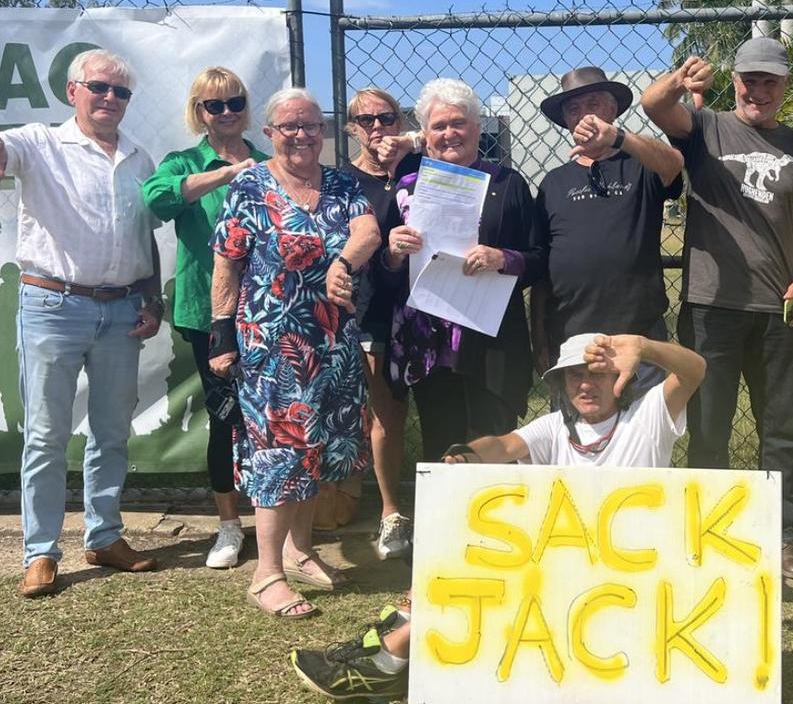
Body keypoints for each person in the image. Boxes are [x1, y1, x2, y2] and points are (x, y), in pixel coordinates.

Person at [289, 332, 705, 699]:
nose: (585, 383)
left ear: (619, 377)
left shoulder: (649, 418)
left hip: (629, 575)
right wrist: (465, 455)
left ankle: (390, 659)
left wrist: (644, 347)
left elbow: (695, 371)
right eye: (574, 374)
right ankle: (400, 628)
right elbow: (503, 445)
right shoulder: (557, 427)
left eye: (597, 373)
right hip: (566, 572)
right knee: (480, 533)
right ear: (562, 382)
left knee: (501, 569)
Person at [0, 49, 164, 597]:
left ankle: (104, 536)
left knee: (111, 431)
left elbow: (142, 237)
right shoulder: (38, 142)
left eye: (121, 92)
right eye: (99, 87)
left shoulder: (140, 159)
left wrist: (152, 299)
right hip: (53, 306)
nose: (109, 98)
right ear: (73, 90)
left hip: (124, 309)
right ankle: (40, 552)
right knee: (47, 435)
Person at [641, 36, 793, 581]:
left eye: (770, 80)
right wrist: (684, 78)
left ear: (785, 87)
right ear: (735, 80)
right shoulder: (706, 128)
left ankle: (784, 533)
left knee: (781, 426)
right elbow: (651, 105)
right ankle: (710, 528)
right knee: (709, 425)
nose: (758, 89)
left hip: (778, 306)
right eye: (750, 79)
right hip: (711, 303)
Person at [208, 87, 382, 618]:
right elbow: (227, 263)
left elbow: (368, 231)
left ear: (324, 132)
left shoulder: (341, 184)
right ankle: (266, 574)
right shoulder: (252, 187)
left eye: (310, 125)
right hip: (271, 343)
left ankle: (300, 551)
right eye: (289, 126)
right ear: (270, 134)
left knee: (318, 445)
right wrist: (221, 334)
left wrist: (341, 265)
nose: (302, 135)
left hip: (331, 341)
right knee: (280, 450)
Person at [142, 66, 268, 569]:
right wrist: (224, 173)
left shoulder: (268, 160)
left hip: (268, 315)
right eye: (214, 105)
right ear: (199, 113)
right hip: (208, 312)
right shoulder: (184, 161)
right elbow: (156, 200)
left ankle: (273, 519)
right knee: (224, 419)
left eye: (234, 102)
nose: (227, 113)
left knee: (271, 421)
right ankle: (229, 526)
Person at [381, 78, 545, 461]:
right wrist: (392, 253)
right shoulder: (406, 189)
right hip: (429, 343)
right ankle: (445, 519)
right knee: (441, 443)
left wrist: (504, 259)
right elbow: (385, 276)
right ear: (424, 134)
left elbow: (541, 258)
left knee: (496, 441)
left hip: (491, 336)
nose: (450, 133)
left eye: (459, 123)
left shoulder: (508, 184)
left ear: (476, 127)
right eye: (439, 126)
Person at [531, 67, 684, 382]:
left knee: (643, 428)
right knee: (578, 431)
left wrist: (618, 138)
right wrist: (539, 336)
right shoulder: (553, 183)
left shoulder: (642, 167)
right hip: (572, 338)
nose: (583, 115)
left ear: (612, 109)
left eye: (593, 105)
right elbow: (542, 269)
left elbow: (673, 164)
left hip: (639, 335)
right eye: (573, 109)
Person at [339, 87, 423, 558]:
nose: (376, 127)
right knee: (383, 414)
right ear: (351, 126)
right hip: (370, 308)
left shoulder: (420, 166)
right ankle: (390, 511)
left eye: (386, 118)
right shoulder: (343, 181)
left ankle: (423, 505)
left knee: (412, 410)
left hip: (427, 306)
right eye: (364, 119)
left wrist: (409, 144)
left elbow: (451, 134)